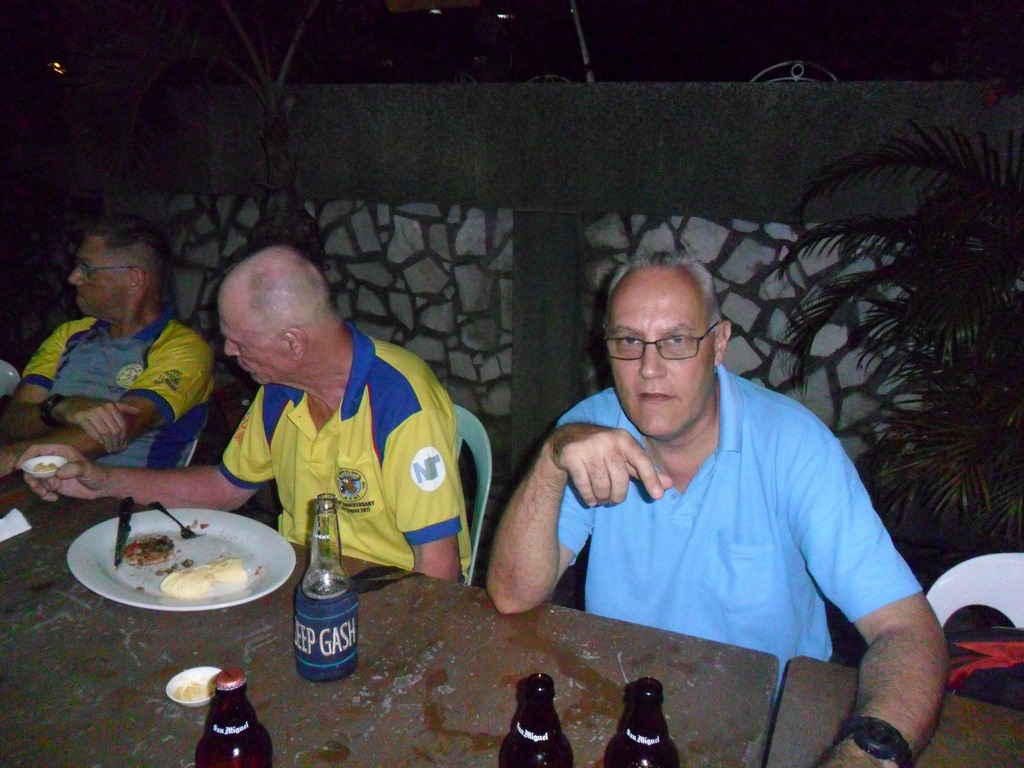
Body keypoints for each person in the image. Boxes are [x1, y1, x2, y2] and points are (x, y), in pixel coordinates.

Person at [487, 250, 948, 767]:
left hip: (772, 728)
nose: (649, 368)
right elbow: (513, 595)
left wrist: (863, 759)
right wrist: (551, 461)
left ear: (719, 344)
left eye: (677, 340)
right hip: (626, 718)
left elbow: (906, 629)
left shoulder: (795, 448)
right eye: (629, 341)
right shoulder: (588, 433)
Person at [20, 245, 469, 582]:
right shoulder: (280, 390)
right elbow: (225, 487)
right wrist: (101, 480)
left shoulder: (399, 402)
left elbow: (438, 569)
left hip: (388, 589)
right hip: (302, 574)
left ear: (293, 343)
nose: (229, 353)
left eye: (240, 341)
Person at [0, 215, 213, 477]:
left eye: (86, 268)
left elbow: (118, 430)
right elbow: (11, 422)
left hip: (120, 495)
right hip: (36, 481)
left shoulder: (183, 348)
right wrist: (59, 407)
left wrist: (14, 455)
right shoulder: (70, 334)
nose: (73, 278)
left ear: (134, 277)